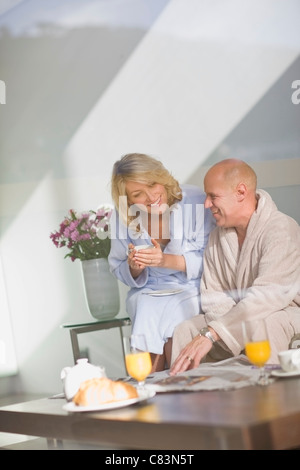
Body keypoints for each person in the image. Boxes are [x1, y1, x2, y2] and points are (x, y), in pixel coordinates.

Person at [170, 158, 300, 375]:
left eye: (213, 196)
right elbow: (213, 296)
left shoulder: (281, 229)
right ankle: (188, 395)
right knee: (187, 330)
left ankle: (271, 400)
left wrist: (214, 332)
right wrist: (229, 328)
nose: (206, 204)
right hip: (237, 319)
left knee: (264, 323)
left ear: (241, 192)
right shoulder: (216, 237)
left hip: (285, 313)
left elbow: (269, 296)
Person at [108, 153, 215, 372]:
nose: (150, 197)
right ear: (128, 200)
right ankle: (151, 388)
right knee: (147, 311)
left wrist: (165, 260)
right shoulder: (120, 217)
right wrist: (134, 268)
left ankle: (178, 386)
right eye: (138, 194)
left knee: (177, 319)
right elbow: (118, 266)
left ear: (161, 177)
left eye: (152, 184)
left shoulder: (195, 200)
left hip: (192, 287)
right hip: (149, 290)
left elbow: (213, 259)